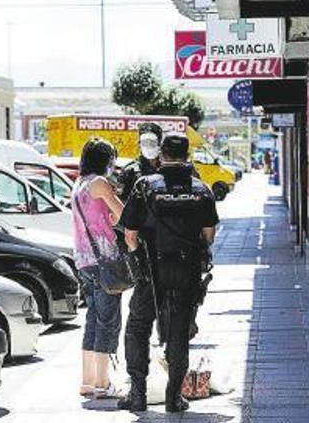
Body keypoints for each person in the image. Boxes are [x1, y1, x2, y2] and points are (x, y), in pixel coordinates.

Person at [118, 132, 219, 413]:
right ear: (187, 156)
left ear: (161, 155)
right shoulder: (202, 189)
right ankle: (174, 398)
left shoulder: (144, 186)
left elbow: (130, 235)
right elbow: (208, 236)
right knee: (179, 334)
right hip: (186, 270)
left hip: (151, 271)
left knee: (138, 328)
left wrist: (141, 256)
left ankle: (137, 394)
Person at [73, 138, 126, 399]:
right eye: (111, 160)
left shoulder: (79, 183)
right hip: (104, 260)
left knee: (92, 319)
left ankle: (88, 380)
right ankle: (103, 383)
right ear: (105, 160)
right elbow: (124, 215)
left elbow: (99, 216)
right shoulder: (99, 183)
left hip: (84, 260)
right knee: (108, 322)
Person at [118, 122, 163, 202]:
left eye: (152, 143)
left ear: (160, 143)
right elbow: (121, 202)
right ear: (139, 144)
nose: (148, 146)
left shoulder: (166, 169)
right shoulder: (130, 171)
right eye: (145, 143)